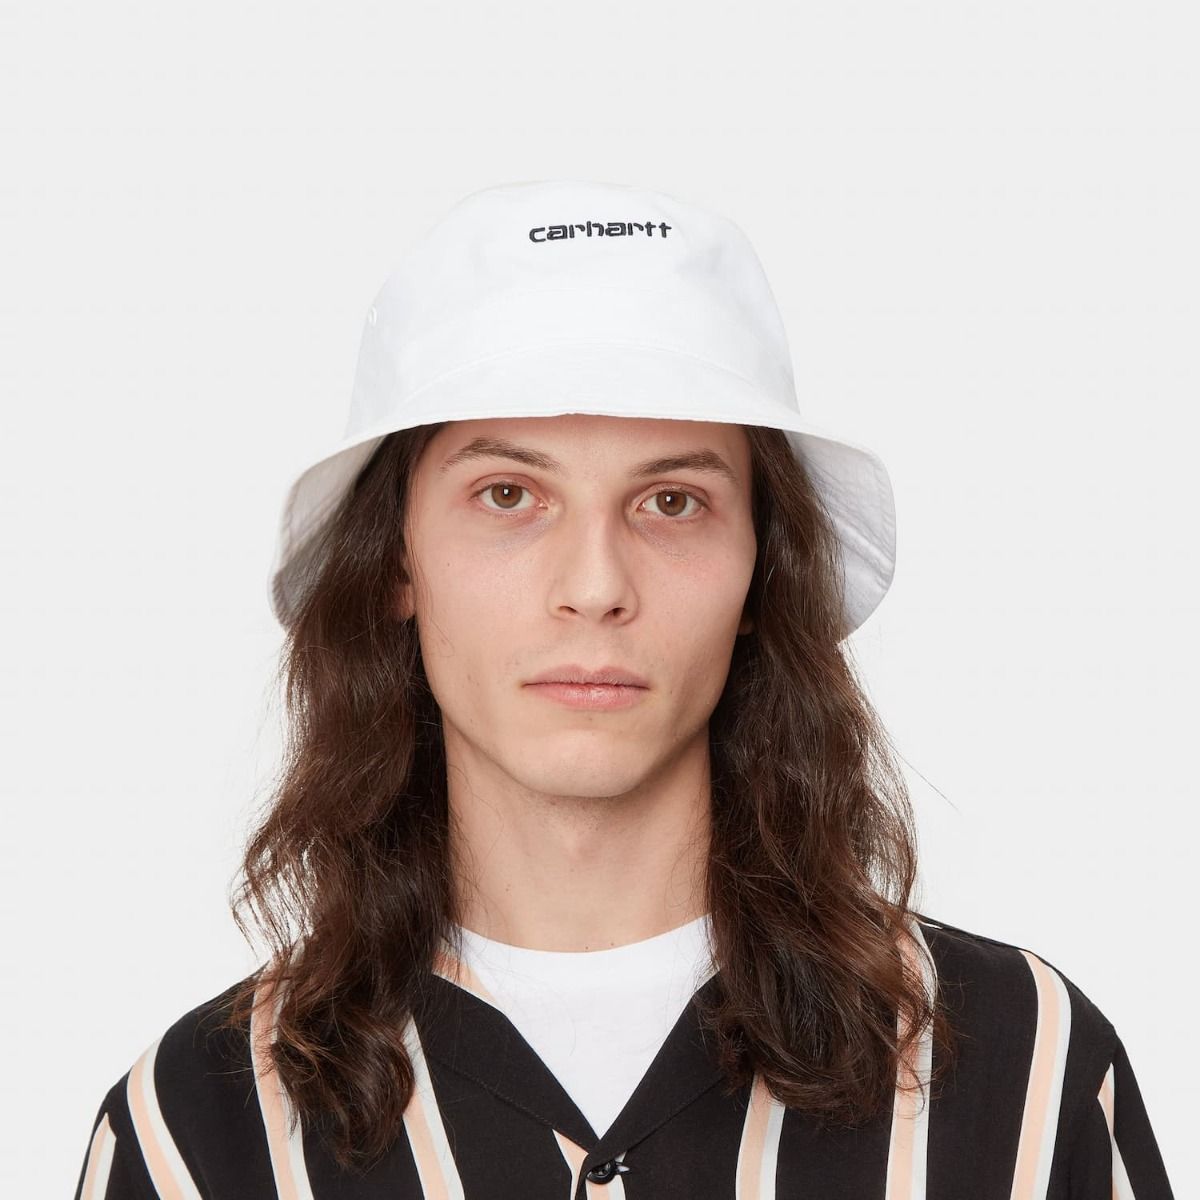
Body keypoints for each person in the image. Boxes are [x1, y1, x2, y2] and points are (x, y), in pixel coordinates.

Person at [73, 179, 1175, 1199]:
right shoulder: (196, 1133)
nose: (596, 588)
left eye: (672, 503)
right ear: (397, 561)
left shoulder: (1023, 1069)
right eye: (509, 495)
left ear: (762, 570)